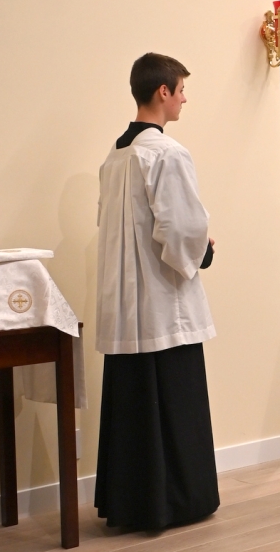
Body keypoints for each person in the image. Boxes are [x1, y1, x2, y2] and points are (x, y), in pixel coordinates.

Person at [94, 53, 219, 529]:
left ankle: (132, 504)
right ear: (162, 91)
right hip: (163, 305)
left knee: (132, 405)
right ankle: (177, 501)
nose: (185, 97)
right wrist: (203, 247)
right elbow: (182, 227)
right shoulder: (166, 153)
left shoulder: (116, 155)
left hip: (126, 307)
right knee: (172, 399)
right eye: (182, 88)